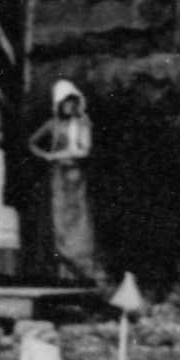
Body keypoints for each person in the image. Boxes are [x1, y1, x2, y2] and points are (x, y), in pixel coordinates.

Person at [32, 78, 104, 287]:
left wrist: (69, 154)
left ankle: (83, 267)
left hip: (75, 172)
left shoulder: (83, 122)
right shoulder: (54, 124)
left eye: (73, 102)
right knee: (59, 217)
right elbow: (32, 142)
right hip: (58, 174)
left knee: (78, 218)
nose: (70, 106)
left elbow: (85, 149)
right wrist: (46, 155)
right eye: (66, 103)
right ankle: (64, 270)